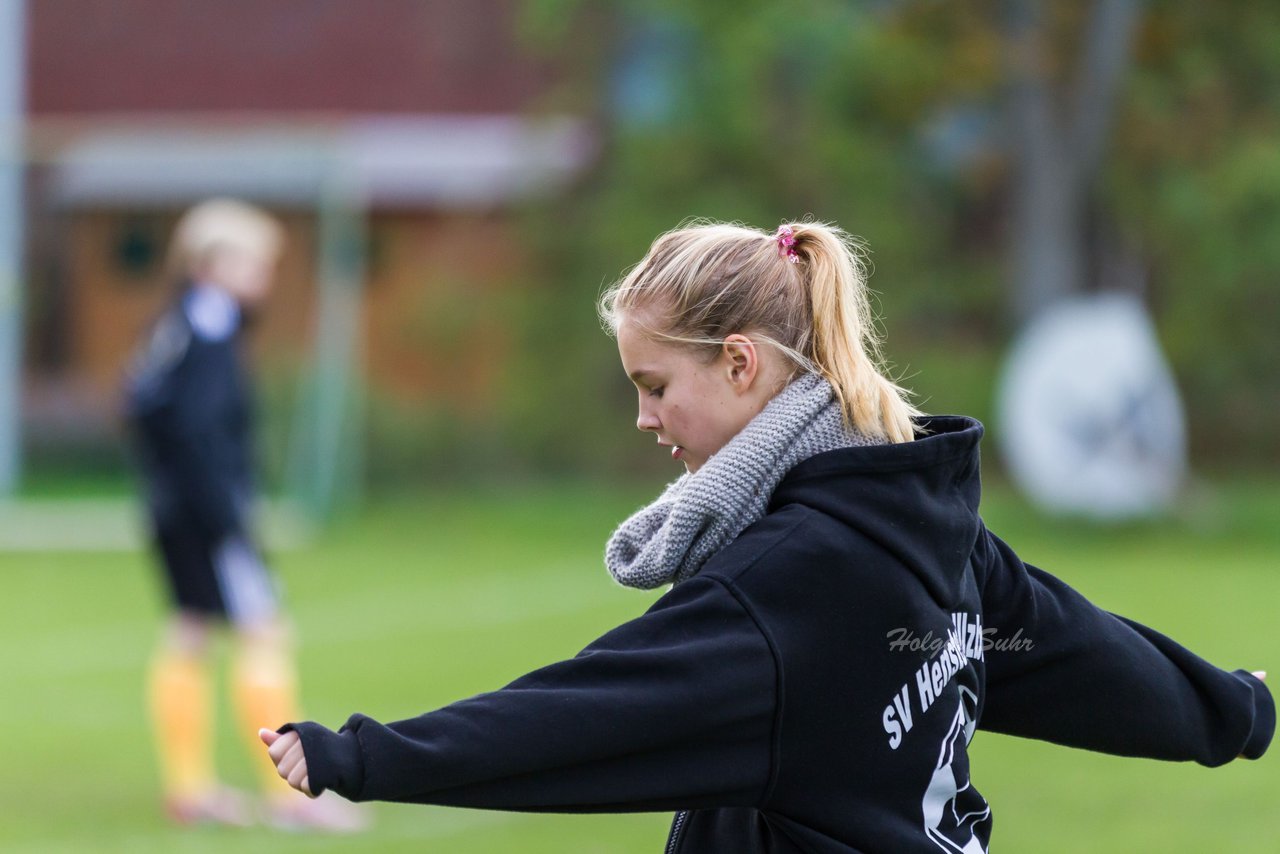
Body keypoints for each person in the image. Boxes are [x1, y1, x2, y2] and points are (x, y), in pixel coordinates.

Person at [258, 219, 1272, 852]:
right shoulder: (925, 520)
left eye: (654, 386)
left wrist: (360, 755)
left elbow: (586, 712)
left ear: (740, 364)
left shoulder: (789, 584)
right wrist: (1225, 709)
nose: (644, 420)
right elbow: (1075, 649)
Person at [125, 198, 364, 832]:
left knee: (191, 631)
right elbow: (195, 429)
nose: (264, 274)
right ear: (211, 263)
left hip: (174, 508)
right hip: (205, 514)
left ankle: (189, 788)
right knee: (264, 630)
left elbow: (143, 407)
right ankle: (286, 795)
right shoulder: (206, 327)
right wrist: (227, 513)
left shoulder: (175, 325)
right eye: (253, 261)